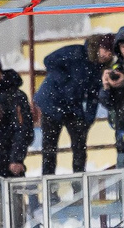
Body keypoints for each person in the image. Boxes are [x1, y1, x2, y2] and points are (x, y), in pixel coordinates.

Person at [35, 33, 109, 175]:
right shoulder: (76, 52)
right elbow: (49, 60)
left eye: (109, 52)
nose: (106, 55)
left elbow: (94, 96)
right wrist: (65, 80)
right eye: (104, 49)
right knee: (49, 149)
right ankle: (49, 187)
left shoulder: (97, 70)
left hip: (72, 107)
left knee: (79, 148)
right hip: (52, 103)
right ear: (97, 47)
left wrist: (88, 119)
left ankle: (79, 185)